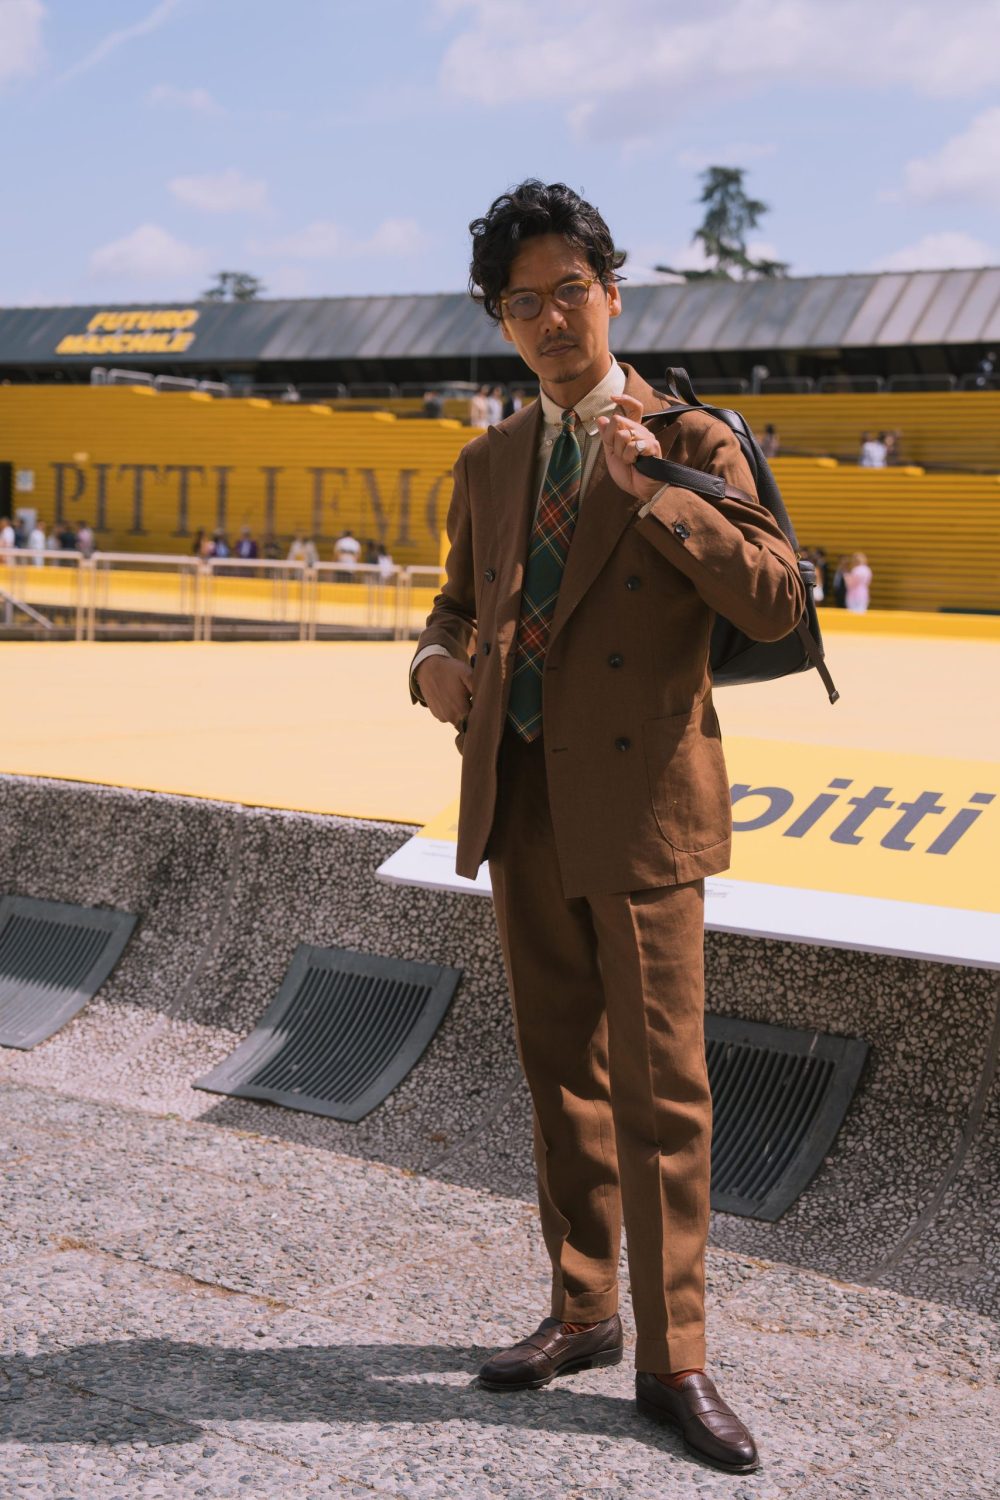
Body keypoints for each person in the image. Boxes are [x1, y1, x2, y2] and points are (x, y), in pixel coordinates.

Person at [410, 179, 804, 1477]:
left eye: (567, 291)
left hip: (642, 810)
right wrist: (433, 668)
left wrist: (658, 493)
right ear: (501, 322)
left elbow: (770, 596)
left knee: (664, 1096)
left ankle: (673, 1357)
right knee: (558, 1077)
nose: (548, 319)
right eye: (521, 304)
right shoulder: (488, 461)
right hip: (520, 802)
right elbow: (453, 613)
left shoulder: (688, 438)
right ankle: (583, 1309)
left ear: (611, 291)